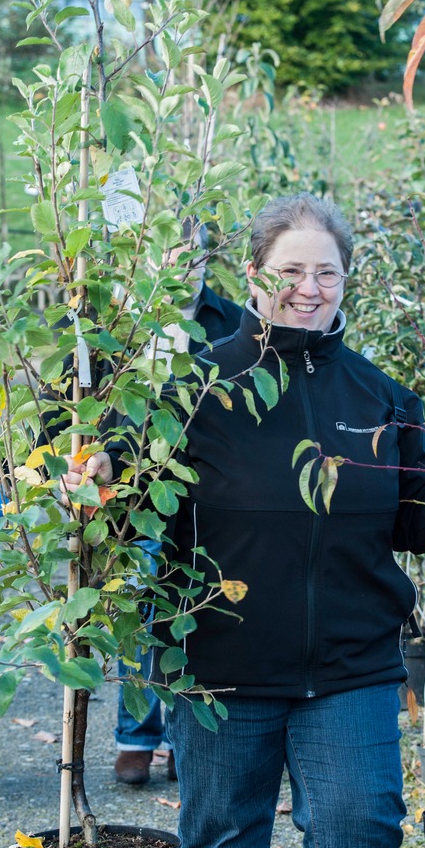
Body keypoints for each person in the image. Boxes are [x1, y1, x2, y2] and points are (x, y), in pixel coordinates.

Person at [67, 194, 425, 848]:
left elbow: (414, 506)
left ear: (347, 279)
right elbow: (124, 496)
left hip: (348, 667)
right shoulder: (196, 389)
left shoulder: (378, 397)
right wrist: (97, 476)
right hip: (217, 665)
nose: (310, 288)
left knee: (363, 833)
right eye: (292, 271)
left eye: (327, 272)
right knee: (221, 847)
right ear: (254, 276)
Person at [114, 222, 242, 786]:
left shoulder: (233, 322)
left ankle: (179, 738)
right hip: (136, 493)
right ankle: (135, 735)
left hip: (206, 494)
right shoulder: (123, 320)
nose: (181, 261)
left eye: (193, 252)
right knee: (138, 619)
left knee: (195, 614)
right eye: (170, 247)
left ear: (207, 258)